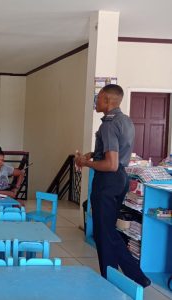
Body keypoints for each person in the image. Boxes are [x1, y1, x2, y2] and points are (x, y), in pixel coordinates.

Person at [75, 84, 151, 287]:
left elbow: (110, 163)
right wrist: (92, 154)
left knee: (104, 232)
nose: (96, 101)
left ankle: (129, 278)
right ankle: (121, 277)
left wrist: (85, 163)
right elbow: (114, 153)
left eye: (98, 98)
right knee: (106, 231)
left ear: (108, 100)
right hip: (120, 180)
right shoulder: (125, 120)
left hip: (108, 181)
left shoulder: (108, 125)